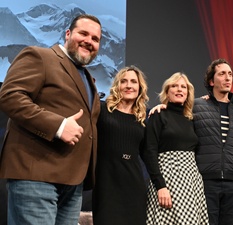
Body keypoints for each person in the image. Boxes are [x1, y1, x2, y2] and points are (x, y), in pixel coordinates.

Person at [0, 14, 102, 225]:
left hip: (73, 183)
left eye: (95, 39)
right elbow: (10, 95)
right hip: (37, 175)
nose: (89, 41)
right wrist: (58, 125)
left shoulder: (88, 78)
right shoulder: (40, 56)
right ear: (67, 34)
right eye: (83, 33)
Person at [149, 58, 233, 224]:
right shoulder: (196, 107)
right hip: (206, 182)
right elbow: (176, 112)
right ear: (211, 81)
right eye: (222, 74)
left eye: (230, 74)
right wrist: (162, 106)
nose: (227, 78)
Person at [143, 72, 209, 224]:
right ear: (167, 91)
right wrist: (160, 186)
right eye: (174, 86)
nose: (179, 89)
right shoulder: (158, 115)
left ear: (188, 92)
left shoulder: (191, 119)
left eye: (183, 87)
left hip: (192, 181)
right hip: (167, 179)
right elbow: (149, 152)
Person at [92, 66, 149, 225]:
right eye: (123, 81)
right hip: (106, 184)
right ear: (117, 86)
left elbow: (148, 155)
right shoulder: (102, 109)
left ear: (140, 87)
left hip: (134, 185)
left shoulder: (142, 118)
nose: (129, 85)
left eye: (133, 82)